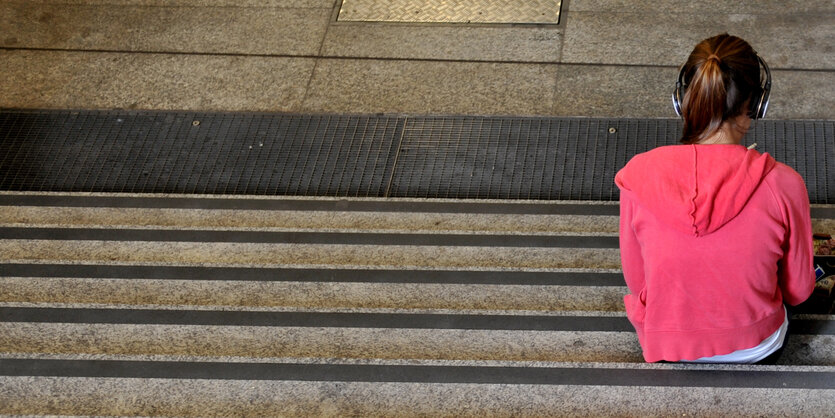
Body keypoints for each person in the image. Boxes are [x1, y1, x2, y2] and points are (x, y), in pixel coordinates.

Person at [614, 34, 815, 363]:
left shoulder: (637, 175)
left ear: (682, 99)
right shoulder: (784, 183)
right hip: (756, 346)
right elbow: (799, 290)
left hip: (669, 347)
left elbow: (638, 282)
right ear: (756, 105)